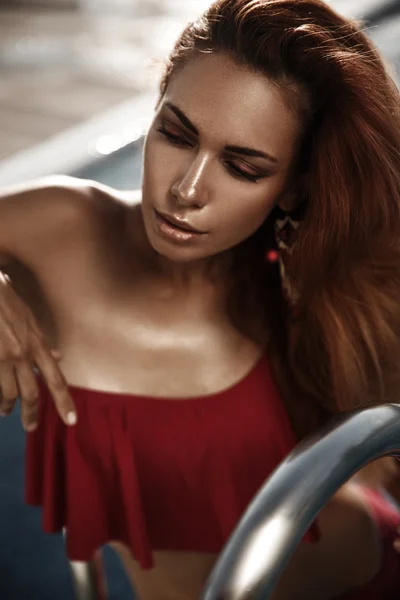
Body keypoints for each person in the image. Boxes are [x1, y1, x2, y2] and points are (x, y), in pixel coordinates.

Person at [1, 0, 400, 598]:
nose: (186, 190)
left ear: (294, 190)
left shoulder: (309, 282)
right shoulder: (60, 228)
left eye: (242, 168)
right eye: (175, 134)